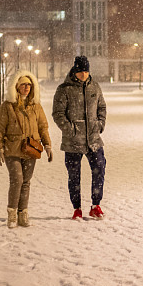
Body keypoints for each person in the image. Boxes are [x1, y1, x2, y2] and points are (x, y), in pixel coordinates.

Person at [0, 71, 53, 228]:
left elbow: (43, 127)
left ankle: (23, 213)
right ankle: (12, 213)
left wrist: (47, 145)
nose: (26, 87)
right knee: (17, 180)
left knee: (26, 182)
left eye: (29, 85)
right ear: (17, 87)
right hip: (12, 149)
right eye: (23, 85)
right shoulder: (7, 106)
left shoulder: (36, 106)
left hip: (30, 149)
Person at [52, 56, 107, 220]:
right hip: (72, 142)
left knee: (99, 169)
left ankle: (95, 205)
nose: (84, 74)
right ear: (75, 71)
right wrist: (70, 130)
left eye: (86, 70)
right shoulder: (64, 89)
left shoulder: (94, 87)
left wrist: (100, 124)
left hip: (93, 140)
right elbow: (58, 113)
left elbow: (102, 107)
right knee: (74, 176)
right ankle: (77, 208)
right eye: (81, 71)